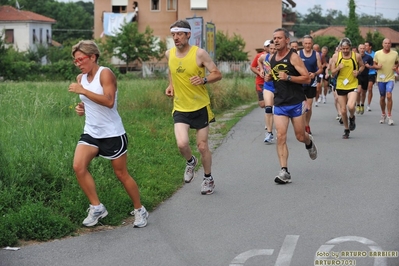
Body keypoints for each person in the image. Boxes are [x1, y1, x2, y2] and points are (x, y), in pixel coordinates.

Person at [68, 40, 148, 228]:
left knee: (121, 174)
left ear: (93, 57)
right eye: (75, 61)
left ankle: (139, 209)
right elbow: (89, 102)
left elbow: (109, 101)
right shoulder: (82, 78)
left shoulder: (106, 74)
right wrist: (82, 108)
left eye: (80, 60)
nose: (78, 64)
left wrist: (83, 91)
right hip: (91, 131)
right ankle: (97, 207)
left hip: (112, 133)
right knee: (78, 167)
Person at [165, 20, 222, 194]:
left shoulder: (200, 54)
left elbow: (217, 74)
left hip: (200, 106)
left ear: (188, 35)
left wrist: (204, 80)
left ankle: (208, 178)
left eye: (179, 34)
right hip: (181, 107)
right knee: (182, 144)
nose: (176, 38)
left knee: (202, 146)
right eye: (173, 34)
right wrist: (171, 85)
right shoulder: (169, 54)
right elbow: (171, 70)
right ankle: (191, 162)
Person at [265, 28, 317, 184]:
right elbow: (273, 78)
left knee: (300, 136)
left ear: (287, 40)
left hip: (295, 101)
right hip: (280, 102)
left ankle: (309, 142)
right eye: (274, 38)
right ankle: (284, 171)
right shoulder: (272, 58)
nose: (276, 40)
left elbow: (307, 78)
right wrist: (268, 77)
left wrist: (288, 77)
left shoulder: (293, 57)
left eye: (279, 38)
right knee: (281, 136)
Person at [330, 38, 364, 139]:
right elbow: (331, 73)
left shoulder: (356, 56)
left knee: (351, 106)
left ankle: (352, 117)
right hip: (340, 85)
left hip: (353, 84)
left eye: (347, 48)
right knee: (343, 111)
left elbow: (362, 66)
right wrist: (337, 68)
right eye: (343, 48)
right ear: (340, 48)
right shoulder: (336, 57)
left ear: (350, 47)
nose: (345, 50)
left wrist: (358, 72)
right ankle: (346, 128)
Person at [299, 35, 322, 135]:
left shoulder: (316, 55)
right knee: (302, 106)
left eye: (309, 43)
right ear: (303, 44)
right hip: (300, 82)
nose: (308, 45)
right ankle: (303, 126)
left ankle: (307, 125)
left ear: (312, 44)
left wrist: (315, 74)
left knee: (308, 106)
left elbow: (320, 68)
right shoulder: (298, 54)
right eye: (306, 43)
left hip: (312, 82)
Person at [373, 38, 399, 125]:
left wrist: (395, 67)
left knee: (389, 95)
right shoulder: (377, 53)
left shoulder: (395, 53)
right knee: (382, 97)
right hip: (380, 79)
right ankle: (383, 113)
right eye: (385, 43)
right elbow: (374, 65)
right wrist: (377, 67)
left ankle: (389, 116)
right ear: (382, 44)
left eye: (389, 43)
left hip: (390, 78)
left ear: (390, 45)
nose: (387, 45)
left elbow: (397, 62)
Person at [258, 40, 277, 144]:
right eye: (271, 49)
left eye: (275, 49)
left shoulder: (281, 59)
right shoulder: (264, 57)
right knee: (268, 108)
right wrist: (261, 70)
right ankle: (269, 133)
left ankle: (278, 129)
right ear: (268, 49)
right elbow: (259, 61)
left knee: (277, 110)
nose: (273, 51)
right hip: (268, 87)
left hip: (279, 87)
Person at [250, 40, 270, 133]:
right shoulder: (259, 56)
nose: (269, 48)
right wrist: (259, 73)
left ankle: (269, 120)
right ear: (264, 47)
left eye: (271, 46)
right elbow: (252, 67)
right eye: (268, 46)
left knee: (269, 103)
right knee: (262, 104)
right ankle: (269, 111)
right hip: (260, 81)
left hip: (270, 83)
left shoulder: (276, 56)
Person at [355, 44, 373, 115]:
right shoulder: (355, 56)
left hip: (365, 76)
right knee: (358, 91)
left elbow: (372, 66)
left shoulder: (369, 57)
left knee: (363, 92)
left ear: (365, 49)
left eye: (363, 48)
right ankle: (358, 105)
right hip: (357, 76)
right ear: (358, 49)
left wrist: (369, 66)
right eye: (360, 48)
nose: (362, 50)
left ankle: (362, 104)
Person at [364, 41, 377, 111]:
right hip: (364, 74)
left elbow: (377, 64)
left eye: (366, 45)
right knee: (363, 91)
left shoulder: (374, 54)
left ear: (370, 47)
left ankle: (368, 105)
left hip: (371, 73)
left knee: (370, 88)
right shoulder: (363, 54)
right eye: (364, 45)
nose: (365, 47)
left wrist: (370, 67)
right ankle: (361, 103)